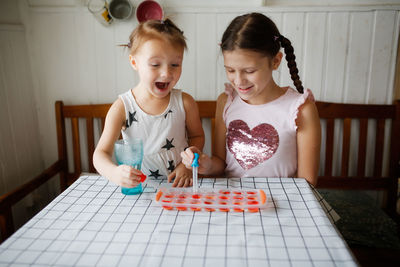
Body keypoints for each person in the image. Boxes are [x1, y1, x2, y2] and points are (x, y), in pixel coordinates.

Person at [181, 12, 321, 186]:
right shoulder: (226, 102)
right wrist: (205, 164)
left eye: (249, 71)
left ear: (276, 61)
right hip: (234, 202)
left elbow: (307, 183)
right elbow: (220, 164)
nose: (239, 81)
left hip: (283, 205)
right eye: (230, 70)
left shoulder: (300, 109)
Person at [93, 19, 205, 189]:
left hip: (179, 187)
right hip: (141, 190)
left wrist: (187, 166)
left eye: (175, 64)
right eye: (155, 64)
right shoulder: (122, 107)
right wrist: (114, 173)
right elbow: (100, 154)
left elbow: (197, 136)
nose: (166, 73)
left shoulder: (185, 102)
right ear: (134, 62)